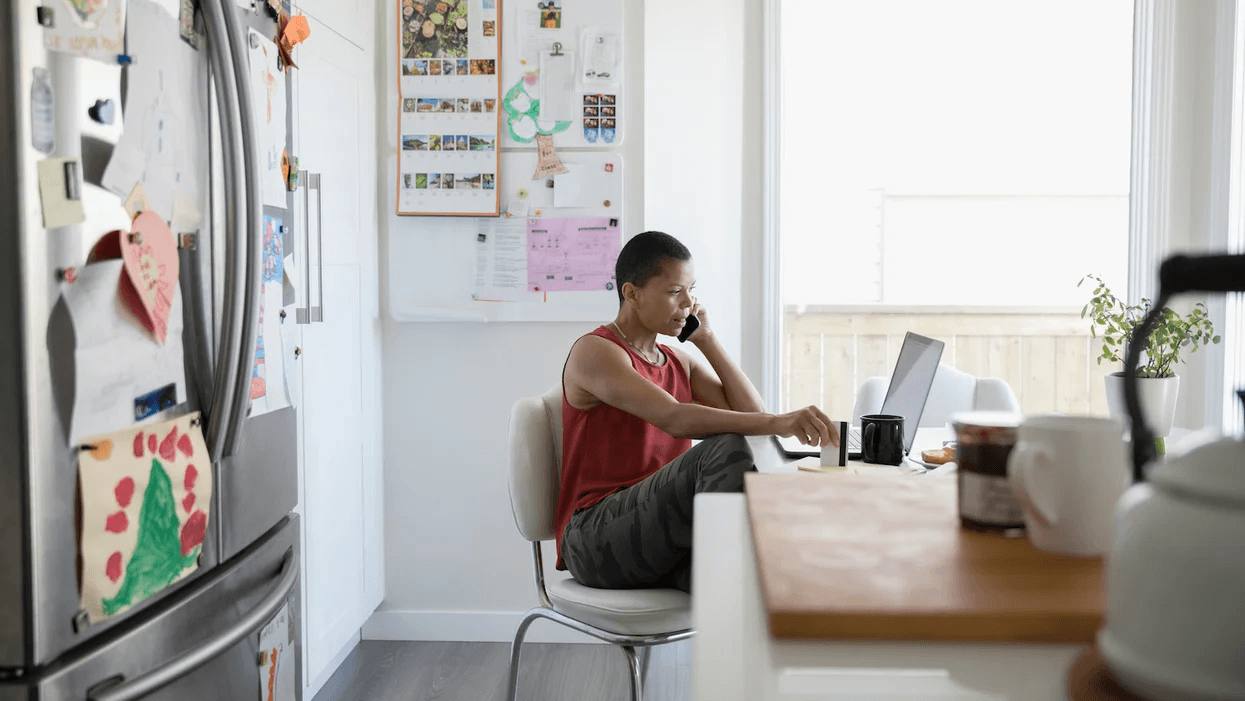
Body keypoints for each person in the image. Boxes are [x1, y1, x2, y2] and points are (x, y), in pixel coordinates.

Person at [557, 231, 838, 593]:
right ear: (631, 293)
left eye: (691, 290)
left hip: (658, 534)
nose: (688, 302)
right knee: (725, 448)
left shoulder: (678, 362)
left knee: (761, 575)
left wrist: (707, 340)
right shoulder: (596, 352)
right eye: (675, 292)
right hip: (594, 538)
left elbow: (753, 416)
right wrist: (781, 422)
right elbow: (674, 418)